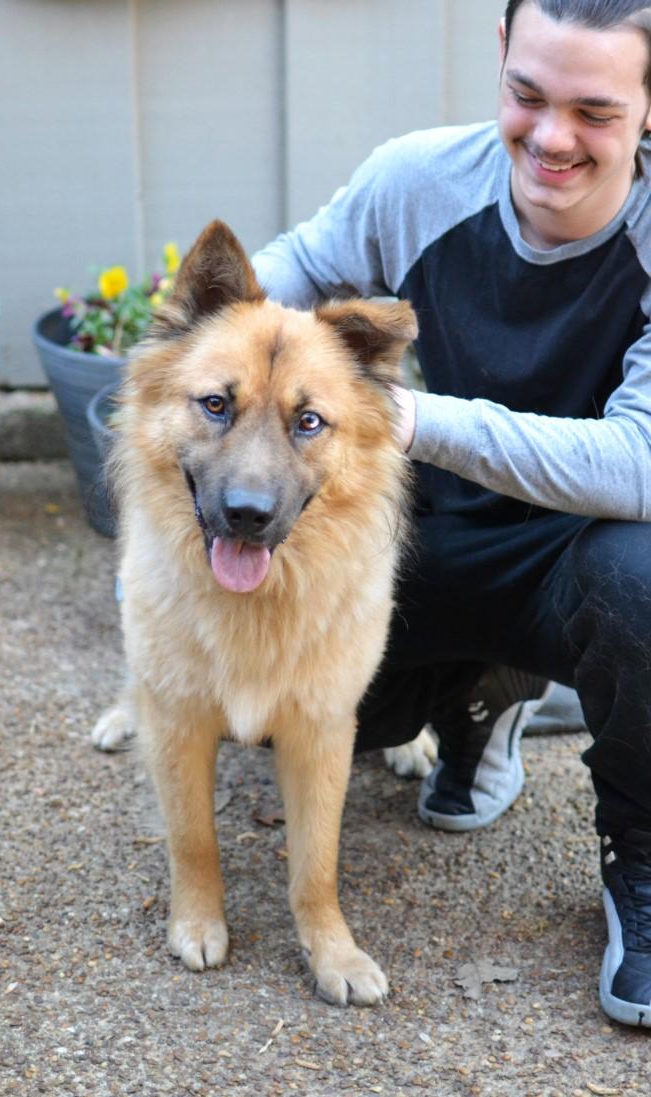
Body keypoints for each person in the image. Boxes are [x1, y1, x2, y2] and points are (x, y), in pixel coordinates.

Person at [251, 0, 651, 1028]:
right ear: (501, 62)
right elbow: (285, 274)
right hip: (421, 538)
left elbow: (640, 462)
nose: (551, 137)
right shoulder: (418, 180)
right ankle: (479, 698)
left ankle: (643, 867)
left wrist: (409, 413)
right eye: (527, 95)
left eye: (594, 111)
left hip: (579, 553)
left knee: (644, 580)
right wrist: (213, 365)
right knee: (275, 704)